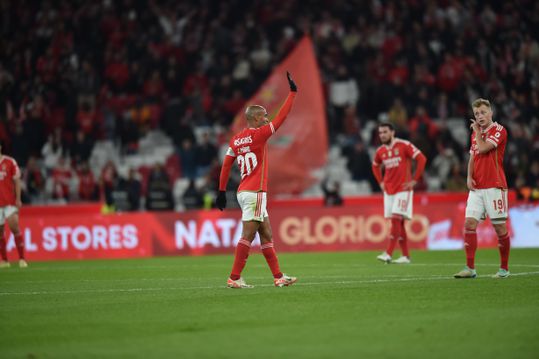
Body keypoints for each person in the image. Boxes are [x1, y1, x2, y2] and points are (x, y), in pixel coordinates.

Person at [216, 72, 298, 288]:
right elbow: (282, 118)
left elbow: (225, 165)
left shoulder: (235, 140)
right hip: (255, 191)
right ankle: (234, 278)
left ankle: (278, 276)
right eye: (263, 116)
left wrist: (221, 191)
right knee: (249, 234)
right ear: (254, 118)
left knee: (266, 233)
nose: (266, 119)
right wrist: (292, 94)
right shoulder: (259, 135)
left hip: (243, 191)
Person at [454, 99, 511, 279]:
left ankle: (504, 269)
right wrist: (469, 177)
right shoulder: (475, 135)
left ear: (491, 112)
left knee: (500, 228)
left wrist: (478, 133)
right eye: (477, 114)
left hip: (495, 185)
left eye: (483, 112)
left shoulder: (499, 130)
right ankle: (470, 268)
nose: (480, 116)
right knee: (469, 224)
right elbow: (473, 157)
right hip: (477, 188)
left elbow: (485, 148)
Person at [371, 123, 427, 264]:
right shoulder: (380, 151)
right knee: (398, 222)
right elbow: (375, 165)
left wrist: (414, 180)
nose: (382, 135)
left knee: (396, 218)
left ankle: (388, 253)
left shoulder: (404, 145)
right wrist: (380, 182)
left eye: (385, 132)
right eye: (380, 133)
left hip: (403, 188)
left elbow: (422, 159)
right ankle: (405, 256)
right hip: (389, 190)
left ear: (392, 132)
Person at [0, 143, 27, 268]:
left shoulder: (10, 162)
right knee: (0, 233)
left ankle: (22, 258)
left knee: (14, 228)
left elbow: (17, 181)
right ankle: (5, 261)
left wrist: (18, 199)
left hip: (9, 202)